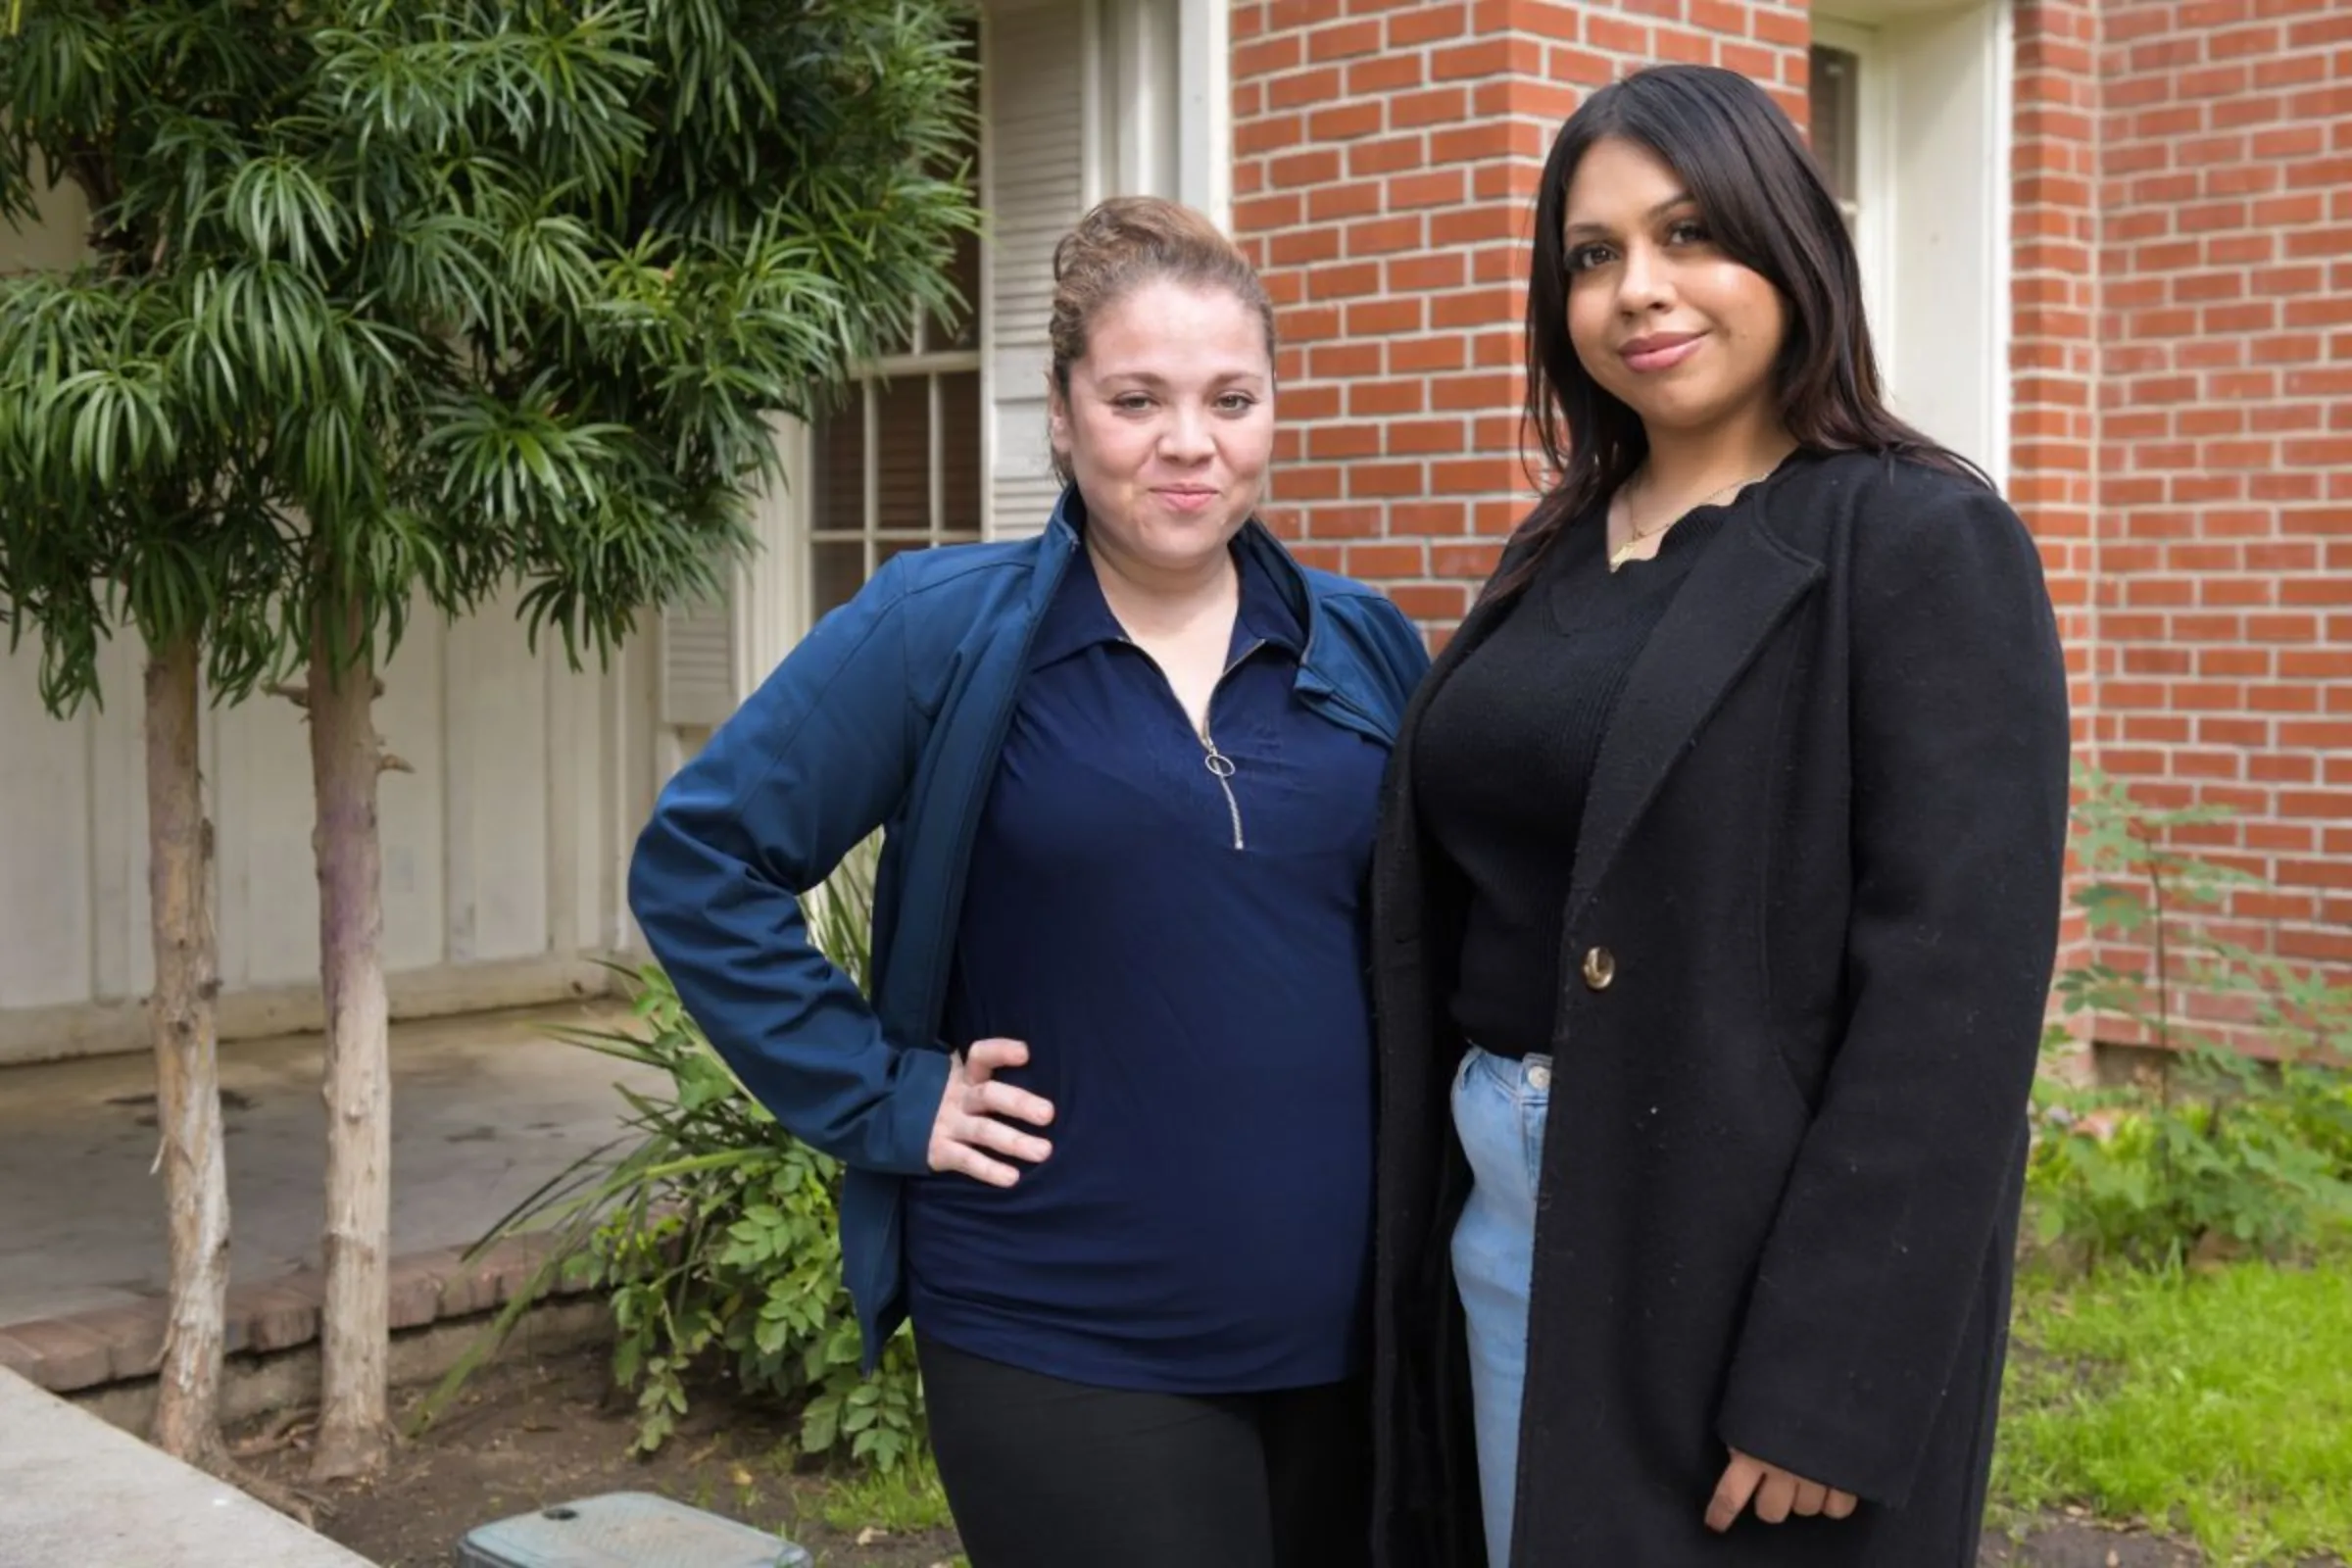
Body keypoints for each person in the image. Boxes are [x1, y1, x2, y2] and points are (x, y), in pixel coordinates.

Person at [629, 195, 1429, 1568]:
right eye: (1138, 398)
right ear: (1061, 416)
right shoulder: (937, 631)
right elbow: (700, 866)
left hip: (1354, 1335)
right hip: (1063, 1323)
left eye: (1232, 397)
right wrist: (884, 1093)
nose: (1191, 443)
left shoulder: (1362, 646)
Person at [1364, 64, 2072, 1568]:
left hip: (1735, 1245)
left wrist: (1834, 1373)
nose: (1640, 290)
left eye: (1690, 233)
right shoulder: (1559, 546)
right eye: (1593, 253)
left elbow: (1953, 998)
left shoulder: (1917, 539)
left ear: (1788, 247)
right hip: (1507, 1212)